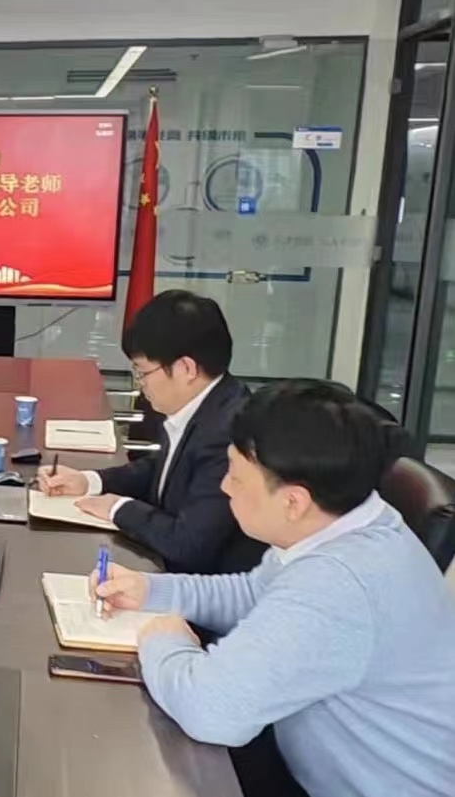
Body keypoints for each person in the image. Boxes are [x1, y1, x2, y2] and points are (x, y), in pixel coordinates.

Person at [94, 381, 455, 797]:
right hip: (298, 759)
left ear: (293, 502)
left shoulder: (339, 582)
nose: (224, 487)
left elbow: (210, 710)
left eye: (236, 476)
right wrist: (149, 590)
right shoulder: (348, 521)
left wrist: (164, 640)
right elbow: (255, 594)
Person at [38, 290, 263, 574]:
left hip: (199, 587)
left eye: (143, 372)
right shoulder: (209, 403)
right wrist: (89, 481)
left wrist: (118, 508)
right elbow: (162, 470)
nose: (140, 383)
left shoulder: (229, 433)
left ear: (186, 368)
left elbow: (188, 543)